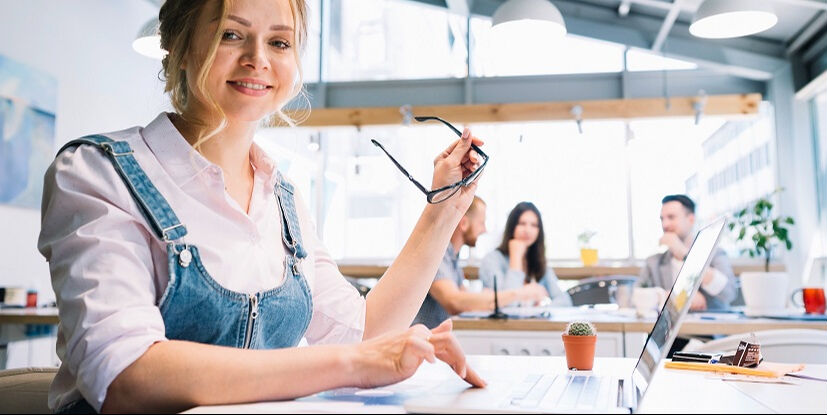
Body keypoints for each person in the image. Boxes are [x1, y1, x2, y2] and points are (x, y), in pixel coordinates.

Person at [36, 0, 486, 412]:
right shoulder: (97, 173)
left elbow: (363, 330)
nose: (259, 59)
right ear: (177, 45)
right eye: (231, 34)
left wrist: (444, 208)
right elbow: (126, 375)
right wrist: (355, 363)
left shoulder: (283, 198)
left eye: (279, 42)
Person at [413, 197, 550, 328]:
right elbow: (454, 302)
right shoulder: (437, 253)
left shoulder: (452, 258)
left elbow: (467, 302)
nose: (484, 230)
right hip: (420, 343)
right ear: (464, 224)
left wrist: (488, 297)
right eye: (481, 223)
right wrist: (521, 293)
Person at [639, 194, 737, 311]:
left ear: (691, 219)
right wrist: (677, 297)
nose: (665, 225)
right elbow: (635, 297)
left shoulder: (715, 254)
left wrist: (685, 255)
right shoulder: (653, 262)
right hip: (672, 328)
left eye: (671, 217)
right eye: (662, 219)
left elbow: (729, 293)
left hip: (709, 328)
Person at [479, 202, 573, 307]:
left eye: (534, 225)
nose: (528, 230)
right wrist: (516, 257)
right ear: (512, 227)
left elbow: (565, 301)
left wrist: (541, 309)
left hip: (533, 323)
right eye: (522, 223)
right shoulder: (492, 260)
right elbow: (507, 306)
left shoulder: (538, 262)